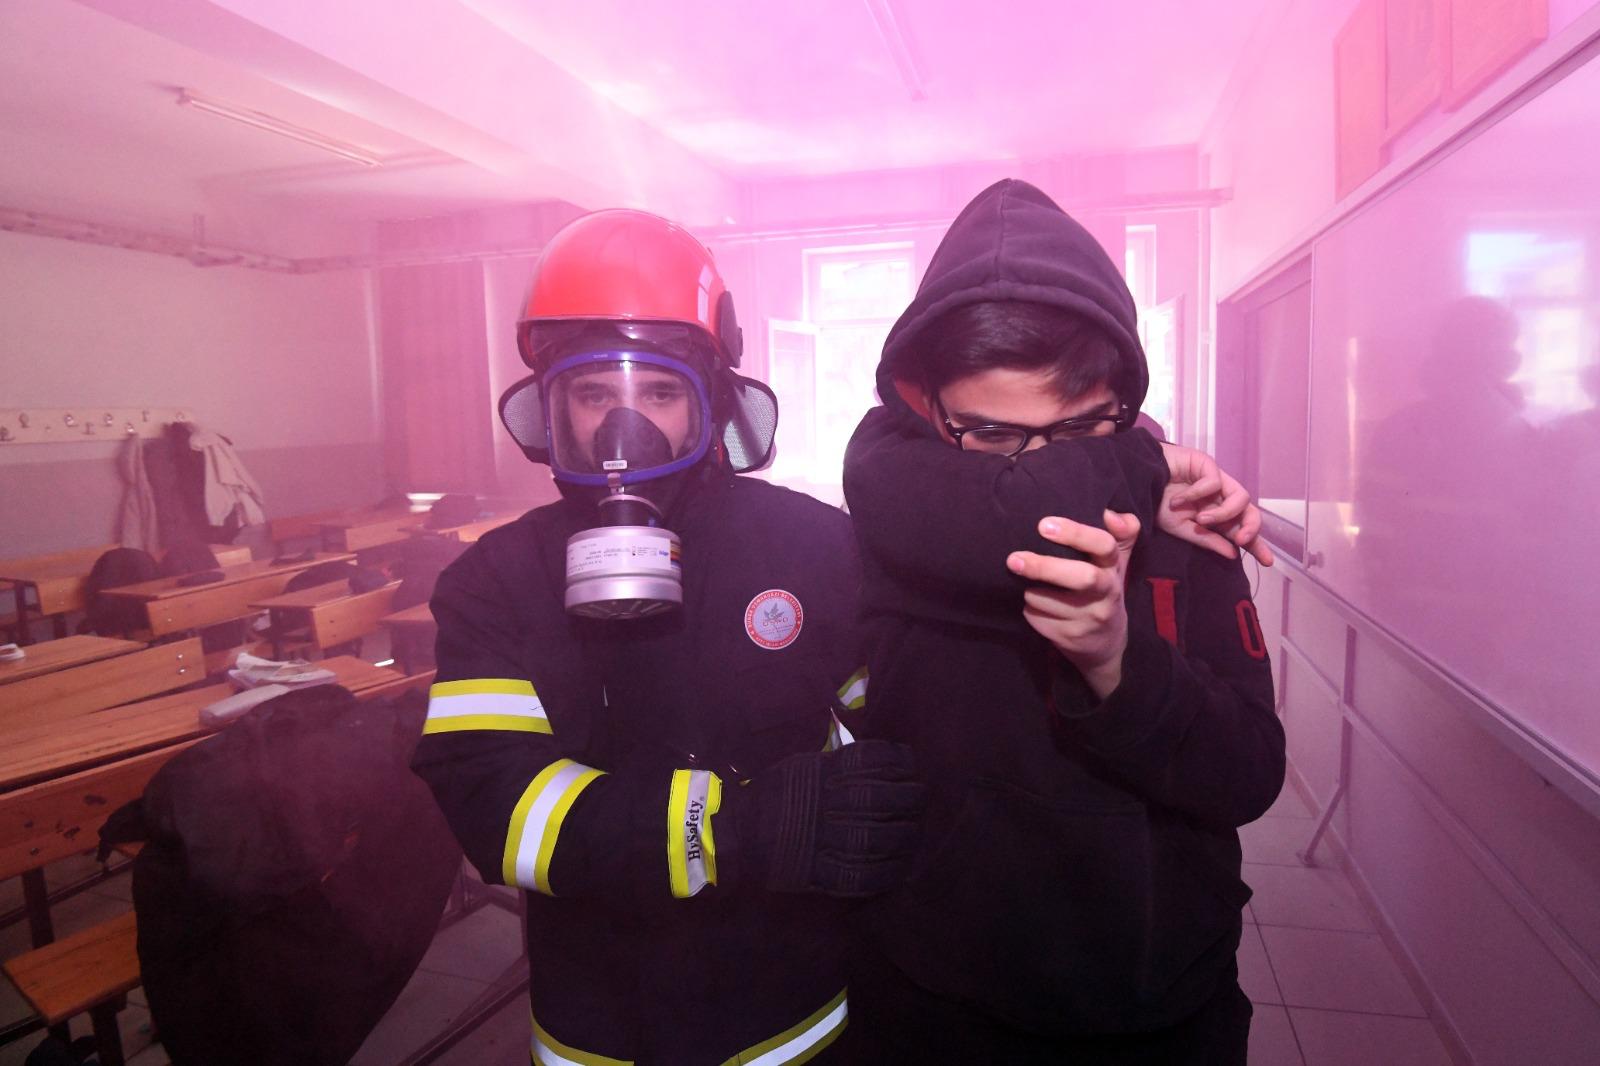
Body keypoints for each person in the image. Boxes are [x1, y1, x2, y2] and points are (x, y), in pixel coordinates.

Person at [408, 209, 928, 1065]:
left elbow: (888, 748)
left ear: (712, 404)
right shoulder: (493, 582)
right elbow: (495, 806)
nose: (626, 431)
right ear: (550, 411)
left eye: (658, 393)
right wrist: (735, 830)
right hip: (600, 1027)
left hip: (790, 1017)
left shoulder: (815, 549)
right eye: (593, 395)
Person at [841, 178, 1286, 1062]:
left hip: (1158, 1005)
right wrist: (1136, 466)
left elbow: (1248, 777)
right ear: (923, 404)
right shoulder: (881, 536)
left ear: (1123, 400)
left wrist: (1119, 665)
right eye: (994, 440)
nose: (1036, 473)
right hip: (933, 997)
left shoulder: (1186, 530)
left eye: (1081, 433)